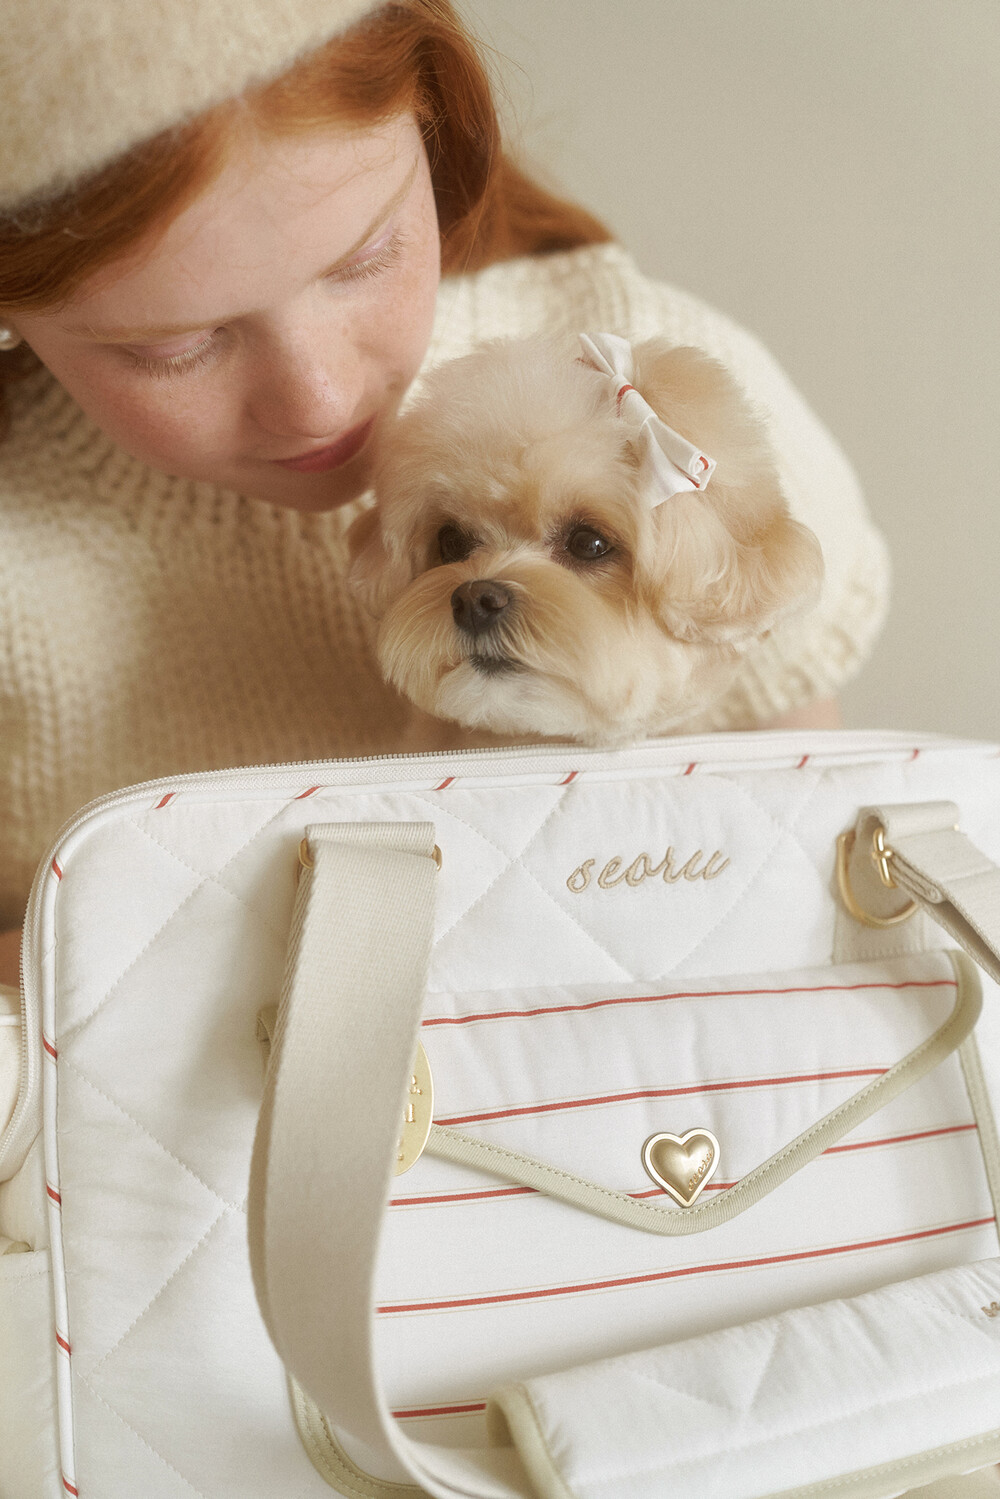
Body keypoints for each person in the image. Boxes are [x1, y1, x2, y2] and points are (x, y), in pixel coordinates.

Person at [0, 7, 887, 964]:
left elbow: (814, 895)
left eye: (364, 259)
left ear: (432, 135)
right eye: (176, 346)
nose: (321, 400)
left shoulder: (677, 397)